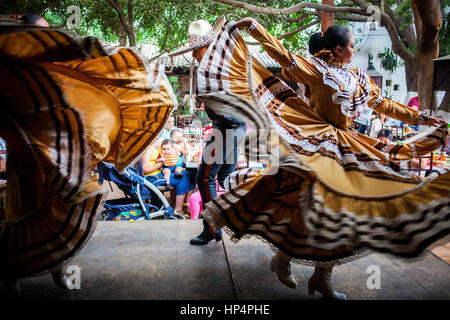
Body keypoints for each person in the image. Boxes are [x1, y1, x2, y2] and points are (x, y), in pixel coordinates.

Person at [188, 16, 449, 299]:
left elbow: (384, 104)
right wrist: (255, 28)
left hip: (345, 146)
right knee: (298, 204)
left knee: (337, 213)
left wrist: (422, 117)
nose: (353, 49)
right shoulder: (318, 69)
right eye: (351, 45)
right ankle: (288, 260)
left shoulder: (358, 77)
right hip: (313, 143)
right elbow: (285, 56)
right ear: (339, 50)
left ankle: (318, 274)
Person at [0, 19, 176, 294]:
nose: (50, 38)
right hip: (27, 162)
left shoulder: (61, 73)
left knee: (55, 210)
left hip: (54, 160)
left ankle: (57, 270)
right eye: (42, 34)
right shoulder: (14, 71)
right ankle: (14, 278)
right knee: (21, 221)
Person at [169, 17, 247, 245]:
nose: (194, 55)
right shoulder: (222, 65)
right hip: (234, 128)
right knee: (225, 177)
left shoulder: (215, 69)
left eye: (197, 49)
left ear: (209, 47)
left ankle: (213, 228)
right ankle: (241, 218)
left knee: (205, 179)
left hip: (227, 129)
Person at [142, 142, 196, 216]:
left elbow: (184, 151)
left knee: (189, 174)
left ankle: (185, 205)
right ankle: (178, 210)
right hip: (153, 177)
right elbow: (145, 170)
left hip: (160, 173)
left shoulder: (161, 147)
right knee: (184, 177)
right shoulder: (148, 150)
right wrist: (160, 164)